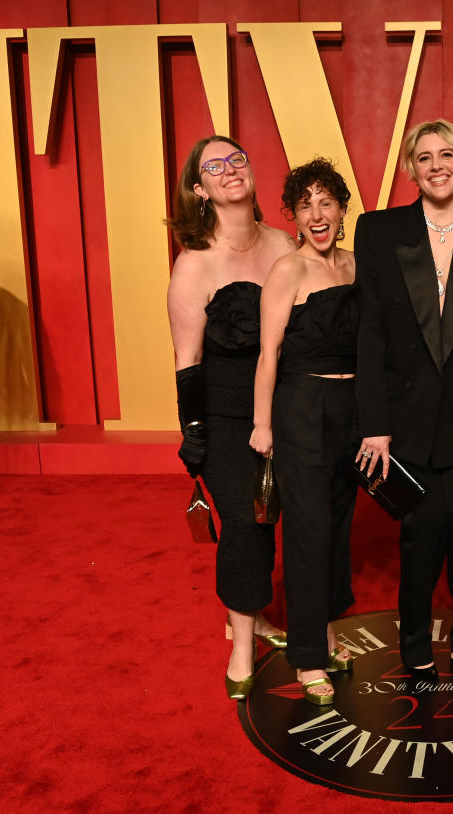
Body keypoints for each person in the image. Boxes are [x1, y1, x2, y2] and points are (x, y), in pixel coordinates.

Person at [354, 119, 453, 681]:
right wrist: (374, 423)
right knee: (419, 534)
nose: (436, 164)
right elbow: (370, 332)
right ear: (411, 169)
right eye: (424, 157)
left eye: (447, 154)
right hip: (404, 417)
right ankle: (416, 639)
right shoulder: (377, 231)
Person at [166, 136, 297, 701]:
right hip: (225, 417)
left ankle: (256, 613)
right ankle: (242, 642)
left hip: (290, 407)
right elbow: (186, 364)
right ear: (200, 189)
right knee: (245, 522)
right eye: (212, 166)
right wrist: (193, 433)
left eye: (236, 159)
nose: (228, 170)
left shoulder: (285, 244)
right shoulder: (194, 264)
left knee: (272, 518)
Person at [249, 158, 359, 706]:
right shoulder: (287, 271)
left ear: (342, 210)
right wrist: (262, 424)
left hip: (351, 409)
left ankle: (327, 630)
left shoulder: (358, 266)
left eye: (326, 202)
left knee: (340, 527)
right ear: (292, 216)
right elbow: (267, 353)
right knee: (309, 532)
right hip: (301, 408)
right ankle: (308, 656)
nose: (317, 214)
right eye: (304, 205)